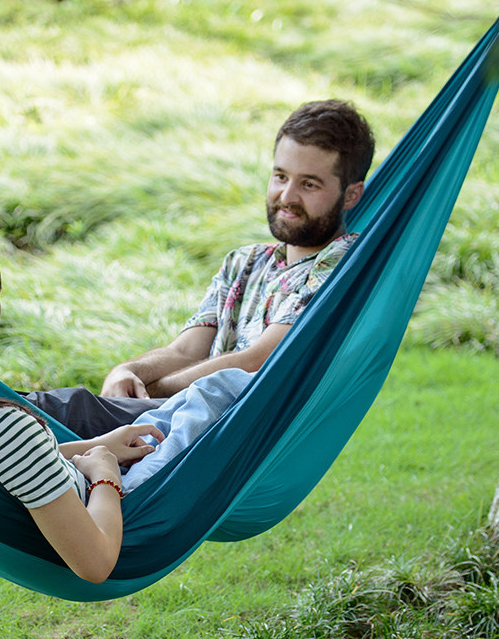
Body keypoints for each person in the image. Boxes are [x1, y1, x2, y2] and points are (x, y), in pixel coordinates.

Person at [0, 215, 252, 584]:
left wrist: (93, 447)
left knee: (184, 407)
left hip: (85, 478)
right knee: (221, 390)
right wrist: (104, 474)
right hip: (122, 502)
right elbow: (96, 562)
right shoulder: (3, 429)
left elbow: (7, 472)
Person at [25, 99, 374, 434]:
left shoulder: (342, 264)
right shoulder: (245, 262)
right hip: (177, 418)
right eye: (281, 177)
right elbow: (186, 351)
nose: (286, 197)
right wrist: (128, 370)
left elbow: (260, 358)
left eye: (309, 184)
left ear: (351, 195)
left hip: (221, 428)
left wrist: (155, 387)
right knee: (33, 419)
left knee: (54, 412)